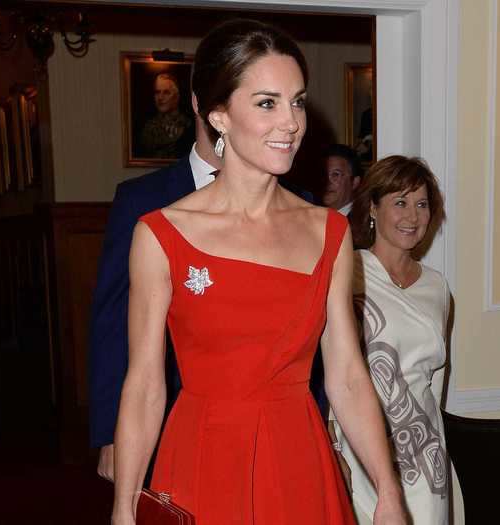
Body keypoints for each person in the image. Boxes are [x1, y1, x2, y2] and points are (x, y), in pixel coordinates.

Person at [111, 19, 407, 525]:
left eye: (297, 101)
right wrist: (123, 506)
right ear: (218, 114)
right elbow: (143, 385)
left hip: (298, 459)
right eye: (267, 102)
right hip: (201, 458)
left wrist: (388, 491)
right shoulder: (161, 234)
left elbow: (349, 376)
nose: (290, 122)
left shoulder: (328, 233)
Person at [90, 65, 317, 483]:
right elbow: (113, 324)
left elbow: (312, 346)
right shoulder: (142, 201)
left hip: (280, 431)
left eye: (295, 102)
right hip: (176, 423)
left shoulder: (303, 207)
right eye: (266, 102)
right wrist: (111, 434)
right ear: (204, 106)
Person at [332, 155, 450, 525]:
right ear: (372, 207)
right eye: (399, 202)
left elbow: (436, 382)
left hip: (423, 454)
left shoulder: (438, 287)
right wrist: (330, 448)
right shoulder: (345, 271)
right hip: (357, 448)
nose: (412, 216)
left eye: (421, 204)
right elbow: (321, 369)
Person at [138, 73, 195, 158]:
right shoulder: (148, 127)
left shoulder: (189, 125)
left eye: (166, 92)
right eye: (157, 92)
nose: (160, 97)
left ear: (177, 96)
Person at [322, 143, 362, 217]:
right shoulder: (313, 218)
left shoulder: (362, 221)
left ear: (354, 182)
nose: (327, 181)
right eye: (323, 174)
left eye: (335, 175)